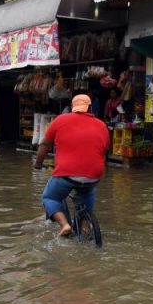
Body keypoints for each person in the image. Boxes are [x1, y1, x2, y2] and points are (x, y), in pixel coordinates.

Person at [33, 94, 110, 237]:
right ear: (90, 108)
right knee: (86, 191)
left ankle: (64, 225)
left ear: (72, 107)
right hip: (93, 174)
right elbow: (104, 151)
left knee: (50, 197)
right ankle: (85, 223)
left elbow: (44, 144)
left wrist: (38, 164)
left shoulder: (60, 120)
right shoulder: (102, 125)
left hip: (66, 173)